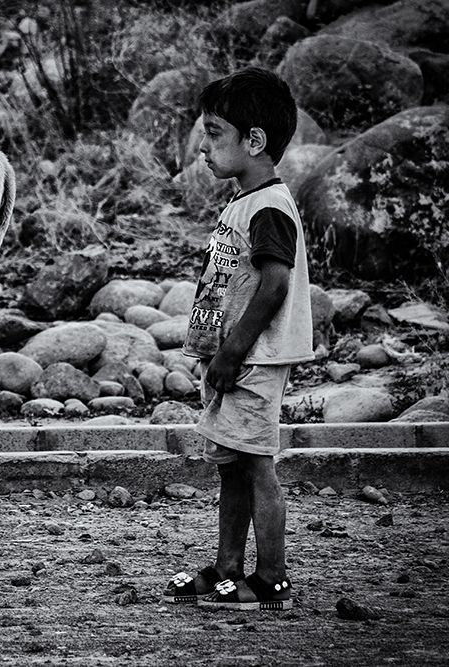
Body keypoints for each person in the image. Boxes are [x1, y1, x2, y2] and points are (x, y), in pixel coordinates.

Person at [162, 67, 314, 611]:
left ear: (254, 141)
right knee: (231, 463)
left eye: (214, 133)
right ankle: (228, 568)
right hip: (232, 359)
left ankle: (271, 576)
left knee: (256, 466)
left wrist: (231, 351)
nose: (203, 147)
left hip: (253, 360)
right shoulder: (242, 203)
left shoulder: (270, 207)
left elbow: (274, 284)